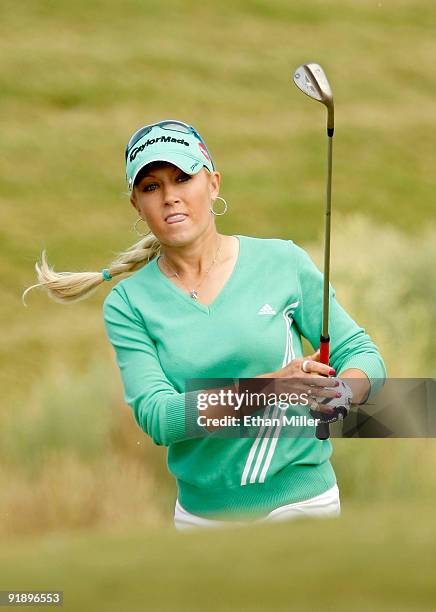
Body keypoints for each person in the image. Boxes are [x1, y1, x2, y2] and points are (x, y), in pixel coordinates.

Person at [22, 119, 387, 530]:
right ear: (137, 205)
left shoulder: (282, 263)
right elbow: (160, 418)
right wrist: (272, 387)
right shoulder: (128, 304)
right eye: (151, 187)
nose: (170, 197)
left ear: (212, 184)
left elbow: (361, 353)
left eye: (182, 178)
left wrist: (342, 394)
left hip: (302, 503)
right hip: (202, 520)